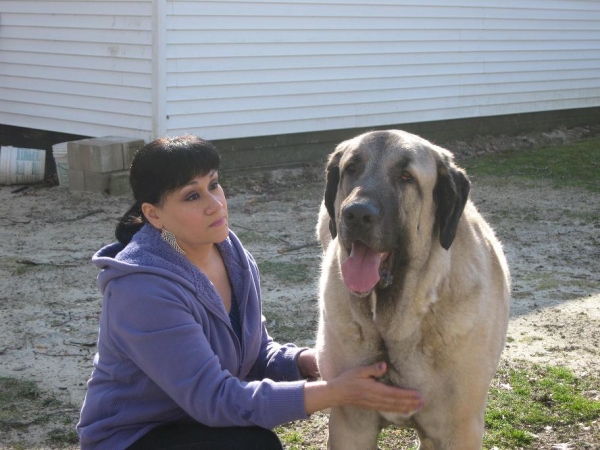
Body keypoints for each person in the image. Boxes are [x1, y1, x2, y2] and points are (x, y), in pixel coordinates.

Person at [76, 134, 424, 450]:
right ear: (154, 215)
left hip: (193, 425)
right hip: (132, 438)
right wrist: (334, 393)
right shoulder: (142, 289)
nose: (214, 204)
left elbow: (253, 356)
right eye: (192, 196)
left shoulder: (228, 251)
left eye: (214, 184)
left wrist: (310, 362)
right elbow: (215, 399)